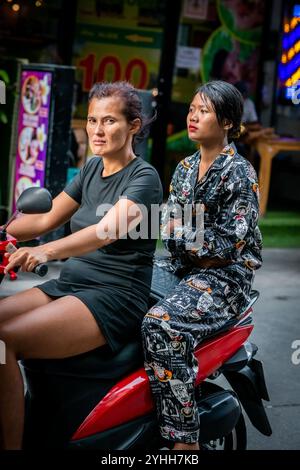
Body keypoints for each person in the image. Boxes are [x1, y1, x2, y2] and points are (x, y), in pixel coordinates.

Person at [0, 81, 163, 450]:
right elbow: (44, 220)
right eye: (92, 120)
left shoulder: (144, 178)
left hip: (113, 295)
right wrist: (4, 233)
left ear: (134, 127)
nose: (97, 130)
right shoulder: (91, 168)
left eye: (109, 121)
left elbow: (107, 230)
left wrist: (46, 252)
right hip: (69, 286)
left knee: (4, 341)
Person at [141, 80, 262, 451]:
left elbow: (228, 245)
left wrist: (187, 235)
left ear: (226, 121)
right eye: (192, 109)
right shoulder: (184, 168)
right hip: (184, 266)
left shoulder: (240, 173)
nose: (193, 116)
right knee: (121, 290)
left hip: (224, 278)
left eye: (204, 110)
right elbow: (169, 230)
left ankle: (185, 438)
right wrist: (189, 236)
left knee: (160, 325)